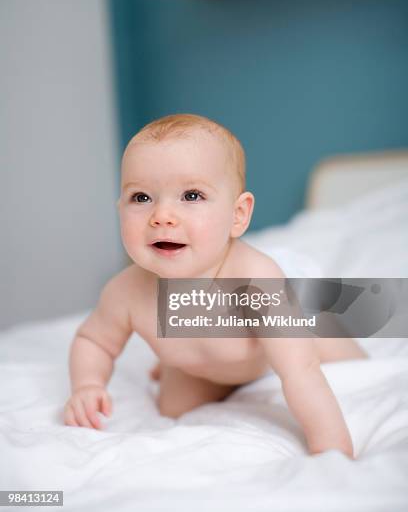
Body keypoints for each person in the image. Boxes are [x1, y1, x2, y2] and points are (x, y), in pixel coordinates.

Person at [63, 113, 367, 458]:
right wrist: (87, 385)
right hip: (201, 366)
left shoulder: (257, 281)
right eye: (141, 198)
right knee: (173, 410)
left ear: (238, 215)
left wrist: (331, 449)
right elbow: (94, 340)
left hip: (288, 336)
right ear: (120, 209)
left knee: (344, 360)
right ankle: (179, 360)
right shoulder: (126, 291)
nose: (161, 215)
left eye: (191, 195)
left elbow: (301, 372)